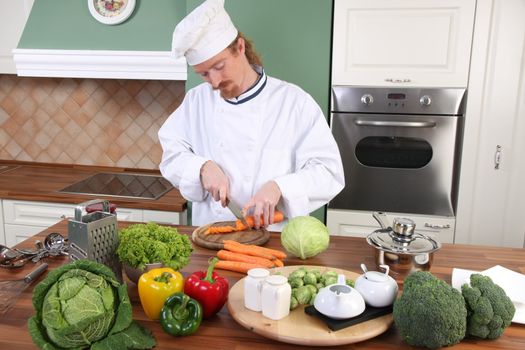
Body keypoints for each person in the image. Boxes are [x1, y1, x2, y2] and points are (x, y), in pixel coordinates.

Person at [158, 0, 344, 230]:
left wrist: (280, 187)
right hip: (211, 234)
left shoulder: (294, 102)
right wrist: (202, 167)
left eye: (219, 66)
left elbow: (328, 172)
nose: (214, 82)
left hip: (274, 239)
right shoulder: (196, 100)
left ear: (240, 47)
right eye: (204, 74)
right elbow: (171, 155)